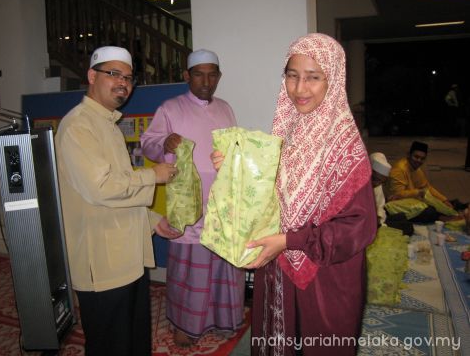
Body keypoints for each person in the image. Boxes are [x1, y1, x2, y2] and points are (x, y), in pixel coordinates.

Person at [213, 33, 377, 355]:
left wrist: (290, 241)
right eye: (292, 75)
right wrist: (235, 169)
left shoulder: (346, 149)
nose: (300, 89)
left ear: (333, 79)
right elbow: (269, 195)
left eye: (313, 77)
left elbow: (359, 227)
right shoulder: (285, 131)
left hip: (326, 277)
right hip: (279, 269)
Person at [55, 46, 180, 355]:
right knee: (111, 344)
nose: (123, 83)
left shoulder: (106, 123)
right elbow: (102, 188)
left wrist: (153, 221)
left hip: (127, 256)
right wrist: (153, 175)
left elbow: (120, 186)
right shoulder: (78, 126)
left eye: (128, 77)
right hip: (103, 263)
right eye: (113, 74)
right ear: (91, 76)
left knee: (133, 339)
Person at [140, 49, 245, 347]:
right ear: (187, 76)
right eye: (199, 74)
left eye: (212, 75)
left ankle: (224, 320)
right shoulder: (170, 108)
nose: (206, 81)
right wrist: (165, 142)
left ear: (219, 77)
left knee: (223, 266)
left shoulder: (226, 108)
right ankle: (186, 324)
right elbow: (148, 144)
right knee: (191, 270)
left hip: (222, 203)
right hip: (188, 203)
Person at [388, 141, 455, 223]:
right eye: (416, 157)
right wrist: (418, 192)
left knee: (445, 204)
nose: (419, 161)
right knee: (430, 211)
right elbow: (397, 195)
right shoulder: (399, 169)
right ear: (409, 155)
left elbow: (427, 187)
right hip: (395, 206)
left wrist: (444, 200)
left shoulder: (416, 168)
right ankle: (442, 217)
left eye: (422, 158)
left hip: (409, 201)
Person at [370, 152, 414, 236]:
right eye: (375, 179)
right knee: (407, 227)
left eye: (381, 182)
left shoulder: (377, 185)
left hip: (377, 221)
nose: (377, 183)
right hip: (367, 225)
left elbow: (380, 206)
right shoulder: (359, 185)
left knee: (402, 217)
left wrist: (379, 217)